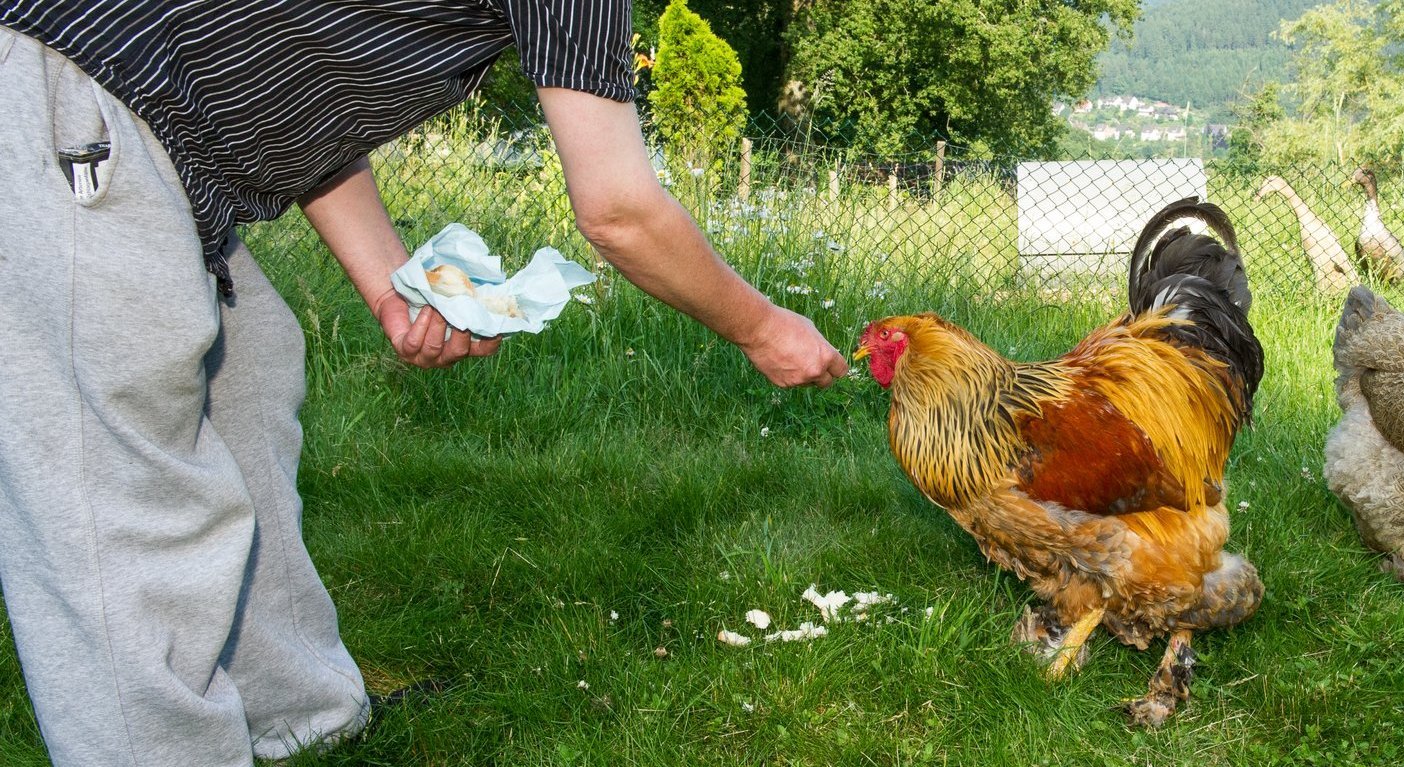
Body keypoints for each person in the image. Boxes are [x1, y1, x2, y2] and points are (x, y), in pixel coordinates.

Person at [0, 2, 847, 764]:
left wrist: (390, 289)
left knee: (250, 378)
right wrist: (764, 328)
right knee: (115, 493)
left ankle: (301, 720)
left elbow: (303, 98)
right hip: (62, 84)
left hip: (167, 137)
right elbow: (618, 209)